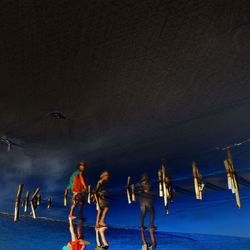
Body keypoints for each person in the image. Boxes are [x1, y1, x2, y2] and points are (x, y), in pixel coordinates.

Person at [67, 162, 88, 238]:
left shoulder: (75, 173)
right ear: (79, 166)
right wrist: (85, 186)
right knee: (79, 202)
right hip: (77, 189)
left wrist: (74, 192)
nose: (83, 167)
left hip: (76, 189)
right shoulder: (80, 172)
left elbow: (72, 181)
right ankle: (75, 215)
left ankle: (74, 215)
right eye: (82, 166)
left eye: (84, 166)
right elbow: (81, 179)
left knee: (78, 201)